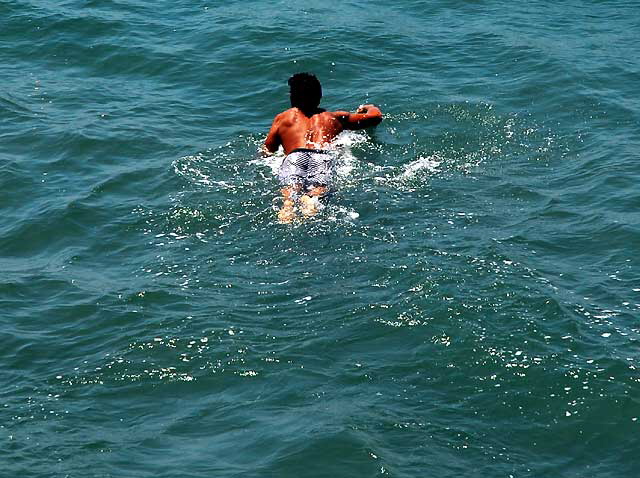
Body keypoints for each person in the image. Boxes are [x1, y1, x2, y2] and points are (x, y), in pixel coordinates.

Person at [263, 72, 383, 223]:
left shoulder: (283, 118)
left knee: (291, 189)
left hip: (295, 156)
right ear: (320, 96)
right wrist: (369, 107)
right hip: (322, 155)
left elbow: (269, 149)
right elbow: (376, 117)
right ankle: (311, 201)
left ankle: (288, 206)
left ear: (292, 97)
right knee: (319, 189)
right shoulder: (335, 118)